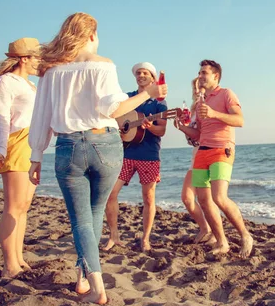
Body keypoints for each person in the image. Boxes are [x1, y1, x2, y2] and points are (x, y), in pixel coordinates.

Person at [27, 13, 167, 305]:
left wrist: (36, 155)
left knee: (82, 221)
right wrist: (148, 94)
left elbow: (40, 116)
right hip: (105, 144)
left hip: (68, 146)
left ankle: (91, 283)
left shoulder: (50, 71)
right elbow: (115, 109)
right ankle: (90, 283)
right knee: (93, 214)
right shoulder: (103, 65)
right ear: (91, 35)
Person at [0, 37, 41, 278]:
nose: (39, 62)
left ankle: (18, 258)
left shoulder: (32, 86)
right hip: (16, 144)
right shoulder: (6, 82)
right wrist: (0, 149)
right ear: (24, 58)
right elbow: (2, 118)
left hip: (33, 145)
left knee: (24, 207)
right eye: (36, 57)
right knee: (13, 208)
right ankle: (9, 265)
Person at [178, 59, 253, 258]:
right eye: (200, 72)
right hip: (202, 151)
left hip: (222, 149)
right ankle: (222, 241)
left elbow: (240, 120)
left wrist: (214, 113)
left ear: (215, 76)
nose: (200, 76)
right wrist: (182, 127)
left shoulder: (226, 94)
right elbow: (198, 134)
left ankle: (245, 235)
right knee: (203, 200)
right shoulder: (202, 102)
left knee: (219, 197)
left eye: (204, 73)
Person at [104, 62, 167, 252]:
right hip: (125, 154)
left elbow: (161, 130)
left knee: (148, 197)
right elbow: (115, 119)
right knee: (110, 193)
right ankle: (113, 235)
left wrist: (150, 127)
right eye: (138, 73)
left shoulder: (159, 103)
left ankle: (145, 239)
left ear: (152, 77)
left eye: (145, 73)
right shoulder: (128, 97)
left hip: (149, 155)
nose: (141, 75)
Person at [175, 77, 216, 244]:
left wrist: (185, 128)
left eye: (200, 87)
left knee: (208, 198)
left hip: (211, 152)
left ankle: (215, 232)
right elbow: (194, 137)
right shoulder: (193, 110)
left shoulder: (209, 105)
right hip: (196, 153)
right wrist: (182, 127)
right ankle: (205, 228)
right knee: (187, 197)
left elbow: (201, 134)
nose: (197, 90)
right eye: (194, 88)